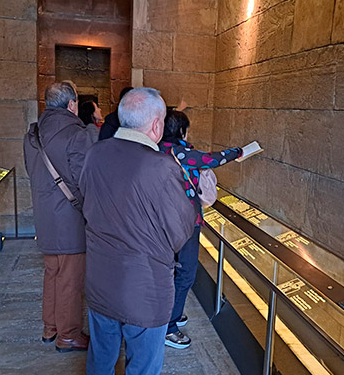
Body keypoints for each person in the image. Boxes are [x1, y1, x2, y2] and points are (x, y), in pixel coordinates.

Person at [79, 88, 196, 374]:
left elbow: (85, 199)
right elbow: (180, 231)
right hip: (144, 288)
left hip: (100, 278)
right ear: (156, 125)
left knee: (101, 360)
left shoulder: (95, 153)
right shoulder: (160, 166)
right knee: (143, 365)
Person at [159, 109, 244, 349]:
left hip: (161, 223)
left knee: (167, 271)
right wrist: (238, 152)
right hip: (186, 222)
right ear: (180, 130)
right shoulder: (181, 153)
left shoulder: (156, 150)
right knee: (185, 273)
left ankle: (169, 313)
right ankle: (170, 326)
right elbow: (212, 159)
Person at [23, 82, 93, 353]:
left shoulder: (33, 133)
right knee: (70, 279)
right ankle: (68, 335)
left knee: (52, 271)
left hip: (45, 215)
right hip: (69, 220)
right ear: (72, 104)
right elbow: (84, 179)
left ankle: (50, 327)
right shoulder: (76, 134)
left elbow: (32, 171)